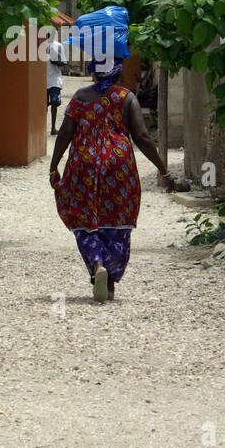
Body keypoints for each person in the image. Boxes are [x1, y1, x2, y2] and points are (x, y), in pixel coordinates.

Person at [49, 56, 173, 302]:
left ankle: (97, 265)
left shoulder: (80, 98)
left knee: (84, 216)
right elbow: (142, 137)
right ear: (117, 72)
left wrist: (54, 166)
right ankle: (111, 281)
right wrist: (163, 170)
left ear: (93, 72)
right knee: (117, 219)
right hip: (118, 166)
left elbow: (64, 133)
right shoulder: (126, 98)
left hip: (83, 163)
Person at [46, 33, 66, 135]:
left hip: (55, 80)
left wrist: (56, 62)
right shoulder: (38, 46)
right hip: (42, 80)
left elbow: (64, 62)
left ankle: (53, 128)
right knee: (43, 105)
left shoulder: (58, 46)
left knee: (54, 104)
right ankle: (41, 127)